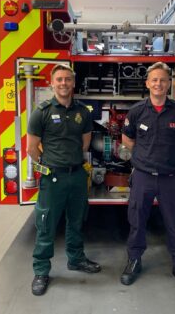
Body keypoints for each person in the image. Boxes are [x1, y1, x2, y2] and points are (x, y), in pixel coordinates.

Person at [120, 62, 175, 291]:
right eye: (154, 80)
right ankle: (134, 261)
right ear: (147, 83)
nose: (158, 84)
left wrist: (169, 156)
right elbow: (127, 140)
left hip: (168, 178)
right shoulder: (136, 111)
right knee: (137, 222)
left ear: (169, 83)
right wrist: (143, 158)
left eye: (163, 80)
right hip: (142, 177)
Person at [27, 64, 101, 296]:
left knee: (76, 220)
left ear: (73, 83)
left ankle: (76, 259)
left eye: (67, 79)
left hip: (77, 175)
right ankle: (41, 271)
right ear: (52, 83)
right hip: (53, 178)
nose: (63, 83)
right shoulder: (42, 111)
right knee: (46, 224)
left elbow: (85, 143)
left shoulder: (83, 112)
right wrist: (51, 164)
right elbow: (31, 148)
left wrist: (72, 163)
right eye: (59, 79)